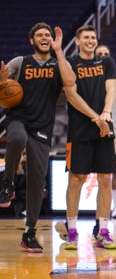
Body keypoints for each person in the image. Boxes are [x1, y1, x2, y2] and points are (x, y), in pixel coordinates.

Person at [0, 23, 82, 252]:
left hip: (43, 126)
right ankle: (7, 182)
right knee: (16, 139)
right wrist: (1, 82)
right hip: (18, 118)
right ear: (31, 40)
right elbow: (4, 90)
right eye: (40, 35)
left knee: (37, 180)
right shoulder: (20, 62)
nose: (44, 37)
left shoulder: (59, 63)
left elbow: (70, 82)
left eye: (47, 35)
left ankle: (29, 233)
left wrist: (59, 50)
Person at [55, 24, 116, 250]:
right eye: (86, 38)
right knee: (76, 180)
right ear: (79, 41)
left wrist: (106, 113)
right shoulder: (71, 63)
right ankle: (71, 231)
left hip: (104, 126)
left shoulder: (106, 62)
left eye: (93, 37)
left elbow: (111, 89)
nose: (91, 41)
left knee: (105, 180)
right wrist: (96, 117)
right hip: (81, 128)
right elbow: (71, 96)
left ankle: (103, 230)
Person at [95, 44, 116, 220]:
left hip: (110, 136)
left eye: (106, 54)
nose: (103, 56)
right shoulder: (85, 79)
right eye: (99, 54)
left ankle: (108, 215)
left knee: (109, 176)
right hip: (88, 133)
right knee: (80, 178)